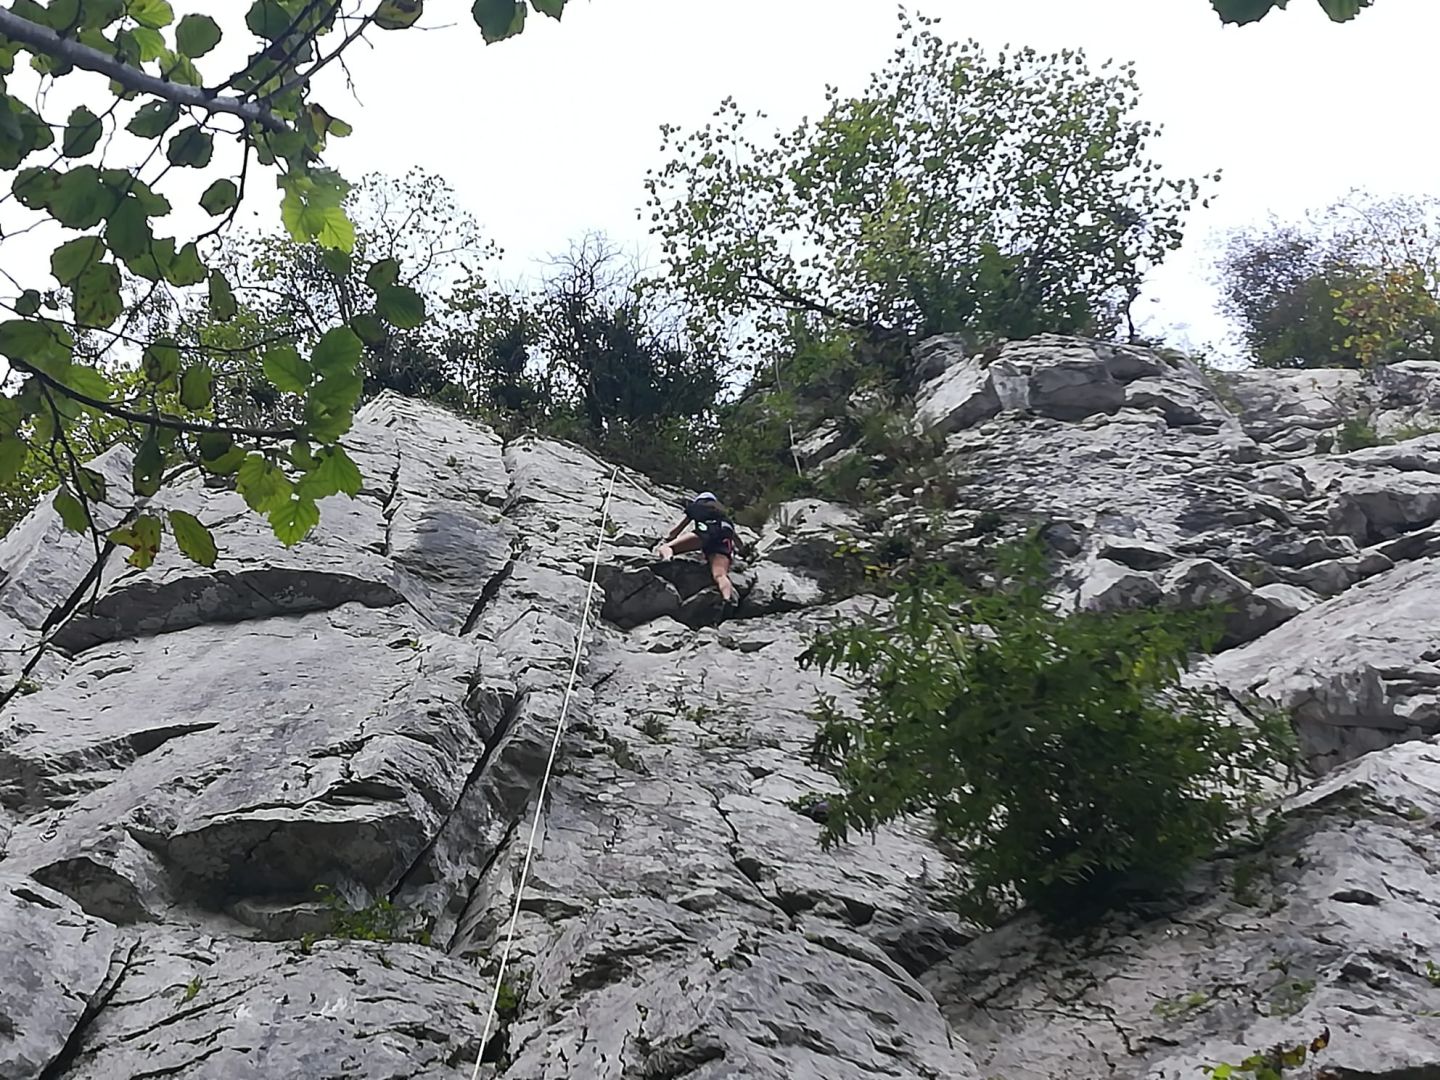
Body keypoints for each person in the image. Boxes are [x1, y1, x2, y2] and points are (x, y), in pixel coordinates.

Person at [656, 491, 740, 610]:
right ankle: (727, 599)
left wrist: (668, 538)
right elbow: (737, 540)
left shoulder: (696, 507)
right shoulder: (724, 516)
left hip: (704, 535)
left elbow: (676, 531)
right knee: (720, 575)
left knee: (667, 548)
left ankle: (667, 560)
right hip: (723, 541)